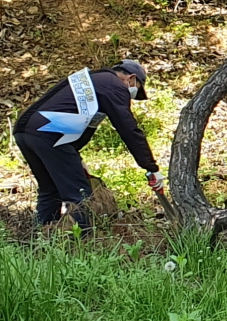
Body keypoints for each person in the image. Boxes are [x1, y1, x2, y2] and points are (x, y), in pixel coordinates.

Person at [13, 59, 161, 231]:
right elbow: (128, 129)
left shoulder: (94, 81)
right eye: (136, 89)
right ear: (131, 79)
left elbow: (83, 127)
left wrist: (76, 156)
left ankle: (40, 238)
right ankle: (80, 244)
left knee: (50, 189)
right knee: (80, 195)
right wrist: (151, 167)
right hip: (49, 133)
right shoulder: (115, 86)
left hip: (25, 131)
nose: (132, 95)